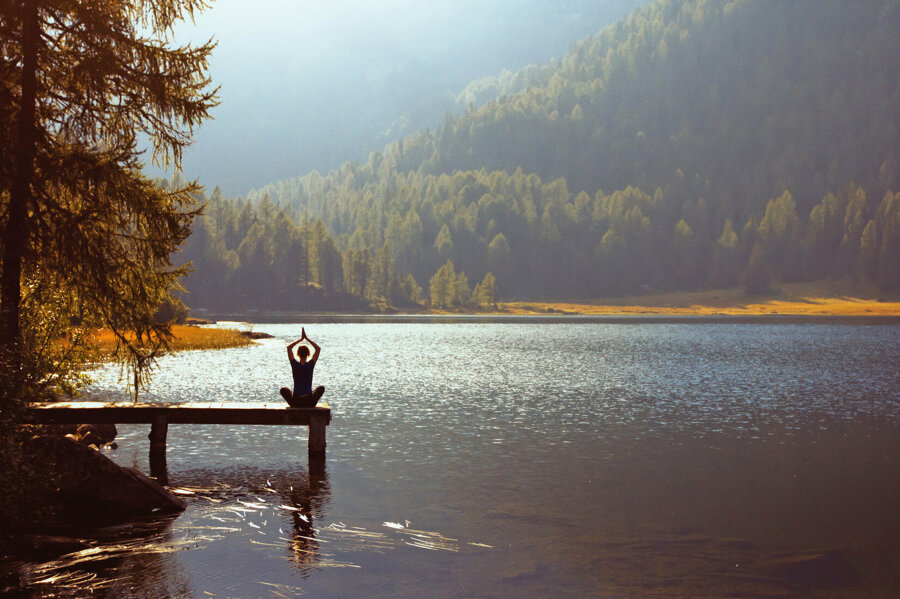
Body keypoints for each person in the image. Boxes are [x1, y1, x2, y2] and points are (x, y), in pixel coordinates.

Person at [280, 327, 325, 408]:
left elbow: (289, 348)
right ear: (308, 354)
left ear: (297, 354)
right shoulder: (310, 365)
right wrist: (307, 339)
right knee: (321, 388)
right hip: (309, 402)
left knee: (283, 390)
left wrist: (300, 339)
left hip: (296, 402)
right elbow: (318, 349)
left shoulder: (295, 364)